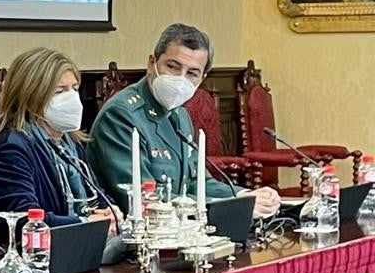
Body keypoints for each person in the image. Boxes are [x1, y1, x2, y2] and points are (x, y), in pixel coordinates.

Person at [89, 24, 281, 218]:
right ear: (151, 63)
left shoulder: (179, 113)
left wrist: (244, 196)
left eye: (192, 73)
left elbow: (198, 182)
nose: (180, 79)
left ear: (202, 78)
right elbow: (144, 200)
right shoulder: (122, 115)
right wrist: (230, 208)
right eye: (172, 66)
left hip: (181, 229)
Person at [0, 47, 118, 244]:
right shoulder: (11, 148)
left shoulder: (70, 144)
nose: (71, 98)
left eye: (75, 89)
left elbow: (97, 199)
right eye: (60, 91)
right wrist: (85, 223)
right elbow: (27, 221)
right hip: (12, 259)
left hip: (71, 251)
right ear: (31, 96)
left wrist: (110, 214)